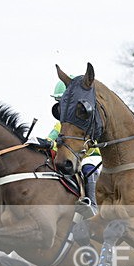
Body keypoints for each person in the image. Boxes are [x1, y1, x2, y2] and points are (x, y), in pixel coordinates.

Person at [49, 79, 101, 215]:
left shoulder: (90, 119)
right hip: (72, 156)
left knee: (88, 164)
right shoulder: (60, 125)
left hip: (93, 156)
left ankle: (93, 205)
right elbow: (51, 140)